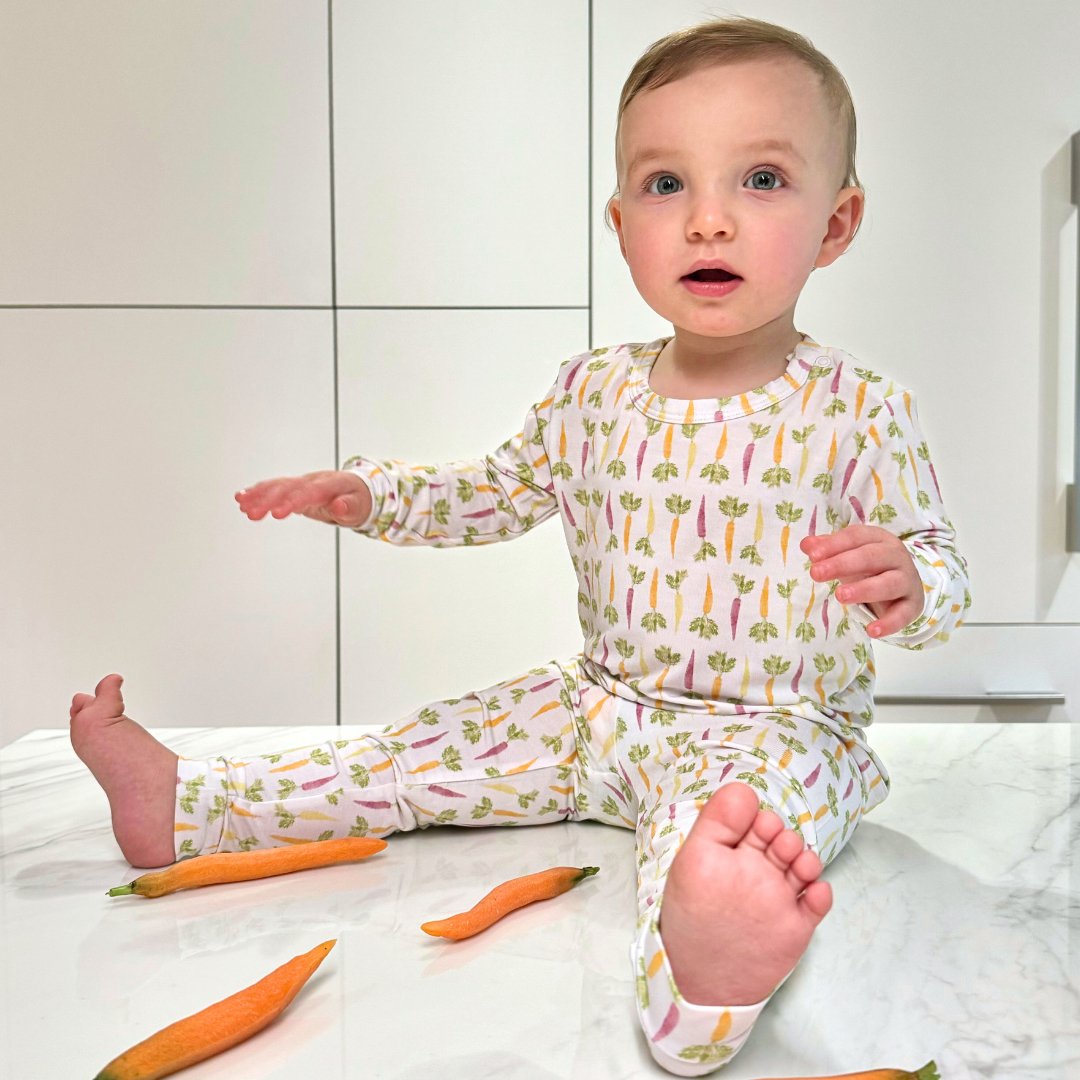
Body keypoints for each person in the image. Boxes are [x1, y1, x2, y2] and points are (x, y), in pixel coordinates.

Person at [69, 15, 969, 1076]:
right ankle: (188, 804)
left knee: (727, 840)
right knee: (409, 754)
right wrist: (371, 493)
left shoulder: (859, 408)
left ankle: (702, 986)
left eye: (762, 180)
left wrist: (910, 585)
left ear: (837, 222)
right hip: (596, 708)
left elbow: (943, 575)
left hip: (777, 727)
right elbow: (493, 493)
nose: (709, 221)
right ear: (620, 220)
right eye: (666, 184)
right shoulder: (590, 391)